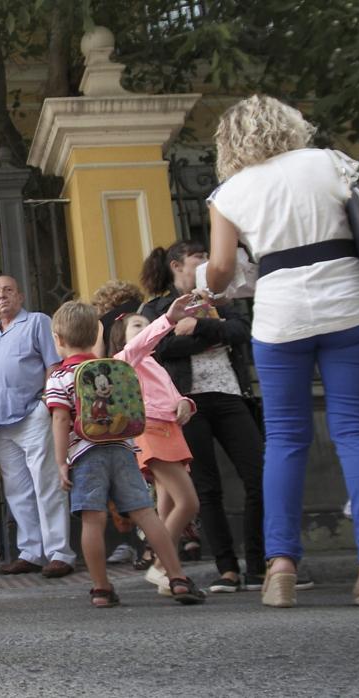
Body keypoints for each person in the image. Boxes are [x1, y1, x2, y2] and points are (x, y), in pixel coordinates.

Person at [204, 94, 359, 609]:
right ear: (290, 125)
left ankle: (281, 567)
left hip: (280, 317)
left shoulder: (230, 192)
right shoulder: (331, 162)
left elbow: (220, 271)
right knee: (358, 433)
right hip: (353, 307)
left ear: (231, 142)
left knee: (285, 441)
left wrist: (218, 278)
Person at [44, 300, 205, 608]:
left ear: (58, 339)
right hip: (122, 449)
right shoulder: (114, 367)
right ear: (96, 337)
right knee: (146, 513)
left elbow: (61, 419)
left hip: (85, 456)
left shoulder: (58, 378)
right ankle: (177, 577)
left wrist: (60, 461)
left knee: (93, 520)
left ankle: (102, 588)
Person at [141, 241, 267, 593]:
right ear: (178, 266)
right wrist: (214, 336)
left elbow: (242, 332)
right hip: (186, 404)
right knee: (207, 489)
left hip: (231, 396)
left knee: (258, 475)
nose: (209, 263)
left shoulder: (224, 299)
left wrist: (197, 326)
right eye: (200, 258)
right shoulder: (159, 307)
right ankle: (227, 569)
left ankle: (258, 565)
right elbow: (161, 347)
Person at [0, 275, 75, 578]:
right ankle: (32, 552)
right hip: (1, 425)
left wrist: (48, 402)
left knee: (47, 484)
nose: (2, 296)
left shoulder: (36, 322)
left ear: (20, 296)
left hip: (32, 414)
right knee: (18, 492)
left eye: (8, 290)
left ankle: (60, 553)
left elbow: (53, 363)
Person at [110, 306, 201, 594]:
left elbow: (173, 397)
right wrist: (168, 320)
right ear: (122, 337)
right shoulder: (125, 359)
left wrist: (185, 402)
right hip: (152, 431)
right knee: (188, 503)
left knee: (169, 506)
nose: (145, 329)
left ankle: (168, 573)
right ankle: (162, 565)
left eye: (146, 325)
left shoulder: (152, 363)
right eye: (137, 325)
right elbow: (141, 342)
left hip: (170, 430)